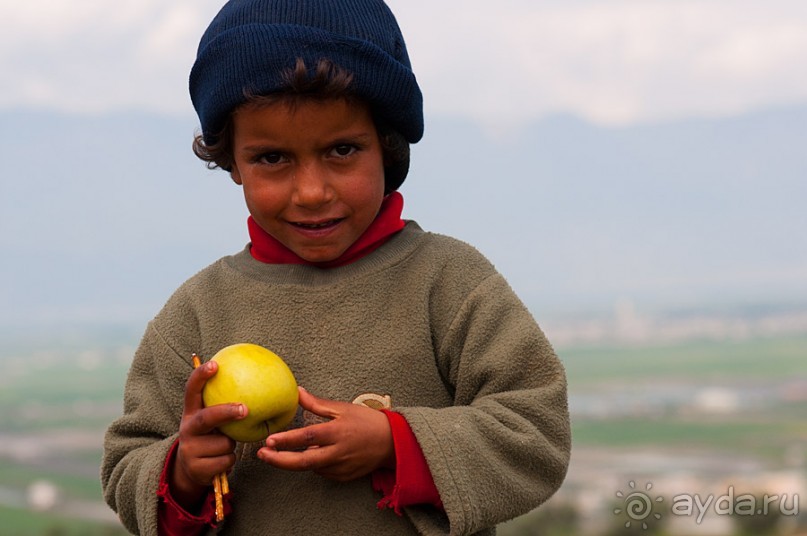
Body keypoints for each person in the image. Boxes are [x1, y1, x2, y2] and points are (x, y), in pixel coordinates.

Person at [100, 1, 571, 534]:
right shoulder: (197, 312)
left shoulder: (450, 282)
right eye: (272, 158)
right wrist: (182, 471)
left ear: (387, 148)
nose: (311, 192)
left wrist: (396, 444)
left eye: (342, 150)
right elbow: (126, 465)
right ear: (232, 162)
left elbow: (537, 431)